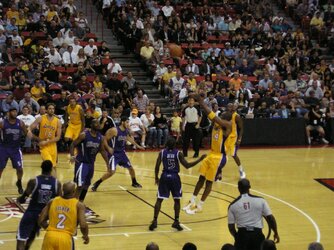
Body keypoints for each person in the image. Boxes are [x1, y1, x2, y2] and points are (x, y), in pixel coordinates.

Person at [183, 94, 232, 214]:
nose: (222, 113)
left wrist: (201, 101)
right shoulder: (217, 124)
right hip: (211, 154)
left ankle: (200, 206)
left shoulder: (228, 126)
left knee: (209, 182)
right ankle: (192, 201)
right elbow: (211, 117)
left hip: (219, 157)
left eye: (224, 114)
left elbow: (213, 117)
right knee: (201, 178)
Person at [149, 137, 206, 231]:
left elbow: (157, 166)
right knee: (177, 201)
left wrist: (156, 177)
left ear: (167, 144)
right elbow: (187, 166)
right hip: (175, 178)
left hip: (164, 176)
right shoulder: (178, 153)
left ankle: (155, 221)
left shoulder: (162, 152)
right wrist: (199, 159)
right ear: (175, 145)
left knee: (159, 200)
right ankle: (176, 221)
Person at [16, 160, 61, 250]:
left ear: (41, 168)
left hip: (32, 212)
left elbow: (24, 198)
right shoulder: (57, 183)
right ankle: (27, 247)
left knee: (21, 238)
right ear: (51, 169)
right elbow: (59, 200)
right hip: (44, 216)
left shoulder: (34, 181)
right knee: (33, 233)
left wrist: (19, 199)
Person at [91, 116, 144, 191]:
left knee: (131, 168)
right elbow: (104, 139)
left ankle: (134, 182)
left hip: (122, 153)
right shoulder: (114, 130)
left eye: (128, 122)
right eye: (127, 122)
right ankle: (97, 183)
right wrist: (108, 148)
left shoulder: (125, 130)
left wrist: (138, 145)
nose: (128, 124)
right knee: (111, 172)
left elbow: (128, 138)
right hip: (114, 154)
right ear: (122, 122)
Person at [228, 179, 280, 250]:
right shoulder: (261, 200)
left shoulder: (232, 205)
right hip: (257, 235)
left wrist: (237, 237)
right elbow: (270, 218)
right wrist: (276, 233)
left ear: (238, 188)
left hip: (242, 235)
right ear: (249, 187)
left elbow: (231, 227)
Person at [38, 181, 89, 249]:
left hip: (49, 236)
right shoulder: (79, 205)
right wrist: (85, 236)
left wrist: (51, 230)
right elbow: (83, 225)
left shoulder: (52, 201)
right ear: (74, 191)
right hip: (66, 238)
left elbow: (40, 220)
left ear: (63, 190)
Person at [70, 119, 109, 202]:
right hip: (82, 163)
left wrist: (107, 163)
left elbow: (102, 151)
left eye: (99, 123)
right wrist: (72, 156)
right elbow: (73, 144)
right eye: (96, 123)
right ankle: (72, 203)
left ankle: (80, 201)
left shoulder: (100, 137)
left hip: (91, 164)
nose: (98, 124)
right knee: (80, 185)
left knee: (86, 185)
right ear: (91, 125)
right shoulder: (84, 135)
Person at [0, 107, 27, 194]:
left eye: (16, 112)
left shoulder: (20, 123)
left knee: (20, 168)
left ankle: (19, 182)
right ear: (9, 113)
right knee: (0, 168)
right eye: (13, 112)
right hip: (4, 148)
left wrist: (35, 138)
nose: (15, 113)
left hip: (16, 149)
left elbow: (27, 133)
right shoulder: (3, 123)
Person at [28, 103, 62, 170]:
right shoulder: (40, 118)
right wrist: (31, 134)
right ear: (46, 110)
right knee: (48, 163)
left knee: (54, 167)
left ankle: (53, 180)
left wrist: (47, 142)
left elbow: (58, 137)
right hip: (43, 145)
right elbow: (30, 128)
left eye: (53, 109)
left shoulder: (58, 121)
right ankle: (46, 179)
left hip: (52, 145)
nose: (51, 110)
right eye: (49, 109)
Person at [225, 103, 246, 178]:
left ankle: (241, 169)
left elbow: (241, 128)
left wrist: (239, 139)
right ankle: (218, 173)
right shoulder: (225, 115)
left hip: (233, 138)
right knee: (222, 155)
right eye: (228, 106)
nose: (229, 108)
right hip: (225, 137)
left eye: (231, 106)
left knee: (233, 154)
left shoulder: (236, 116)